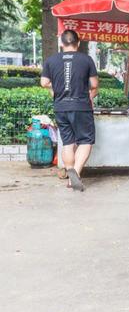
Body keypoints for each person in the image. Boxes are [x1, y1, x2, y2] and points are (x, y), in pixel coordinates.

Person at [40, 29, 98, 191]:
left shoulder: (51, 60)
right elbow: (94, 85)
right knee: (85, 141)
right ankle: (76, 175)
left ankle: (69, 171)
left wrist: (56, 87)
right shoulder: (86, 59)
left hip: (60, 107)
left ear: (61, 43)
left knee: (68, 143)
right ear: (78, 44)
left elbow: (44, 82)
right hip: (81, 106)